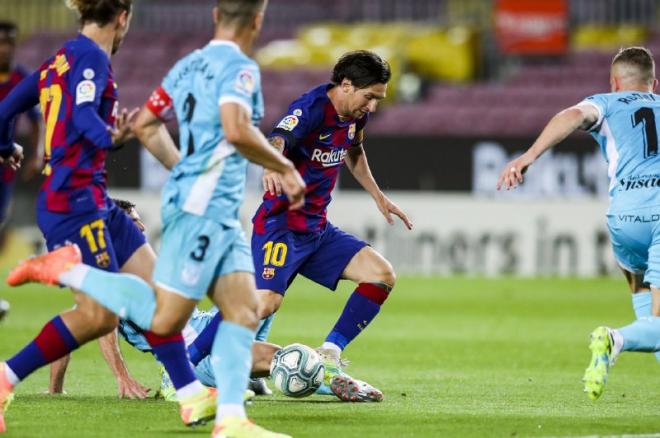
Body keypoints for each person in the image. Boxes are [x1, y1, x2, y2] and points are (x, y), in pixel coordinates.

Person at [9, 1, 305, 436]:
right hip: (192, 207)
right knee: (153, 316)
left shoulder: (187, 67)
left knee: (237, 310)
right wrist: (284, 167)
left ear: (214, 15)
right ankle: (72, 273)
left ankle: (219, 414)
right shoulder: (239, 68)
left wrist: (182, 166)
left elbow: (146, 123)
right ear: (258, 21)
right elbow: (237, 128)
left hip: (174, 201)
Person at [0, 0, 213, 432]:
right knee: (100, 316)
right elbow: (81, 117)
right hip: (73, 205)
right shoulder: (93, 57)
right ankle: (7, 374)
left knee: (161, 299)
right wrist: (110, 135)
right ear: (122, 18)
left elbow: (5, 110)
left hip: (95, 201)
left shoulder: (57, 59)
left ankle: (191, 396)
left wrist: (6, 146)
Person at [186, 50, 412, 403]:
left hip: (317, 231)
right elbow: (277, 138)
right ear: (347, 85)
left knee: (381, 275)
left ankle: (330, 354)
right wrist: (273, 165)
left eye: (378, 100)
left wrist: (378, 196)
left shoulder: (355, 115)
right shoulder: (310, 108)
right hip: (281, 227)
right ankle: (182, 369)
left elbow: (354, 150)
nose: (373, 107)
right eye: (370, 98)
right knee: (262, 304)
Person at [496, 46, 660, 400]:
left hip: (624, 219)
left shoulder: (605, 102)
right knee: (659, 325)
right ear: (654, 83)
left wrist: (529, 156)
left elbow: (571, 114)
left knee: (644, 298)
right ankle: (615, 339)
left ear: (615, 82)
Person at [0, 21, 42, 322]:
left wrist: (37, 156)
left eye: (10, 42)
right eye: (1, 41)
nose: (5, 48)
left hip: (3, 167)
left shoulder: (20, 77)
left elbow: (36, 119)